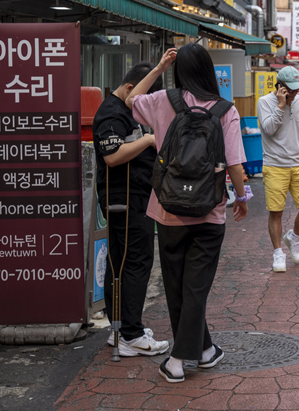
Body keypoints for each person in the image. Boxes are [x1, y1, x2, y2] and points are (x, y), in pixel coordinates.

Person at [127, 44, 250, 383]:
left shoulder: (163, 100)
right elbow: (236, 164)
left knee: (178, 285)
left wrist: (158, 67)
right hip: (209, 212)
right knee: (196, 288)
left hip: (168, 210)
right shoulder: (226, 109)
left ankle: (202, 352)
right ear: (209, 71)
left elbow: (129, 99)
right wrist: (241, 196)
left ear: (178, 71)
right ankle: (184, 358)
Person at [93, 62, 169, 358]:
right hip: (123, 199)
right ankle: (131, 335)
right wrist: (149, 139)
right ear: (129, 89)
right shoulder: (112, 113)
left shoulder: (123, 109)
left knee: (120, 263)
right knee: (135, 261)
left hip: (131, 197)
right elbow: (112, 156)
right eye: (141, 97)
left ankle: (121, 328)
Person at [257, 66, 299, 273]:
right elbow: (268, 129)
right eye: (291, 90)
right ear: (281, 86)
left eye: (297, 90)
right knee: (276, 211)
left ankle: (293, 236)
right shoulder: (264, 102)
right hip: (275, 165)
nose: (295, 94)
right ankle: (277, 252)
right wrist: (281, 105)